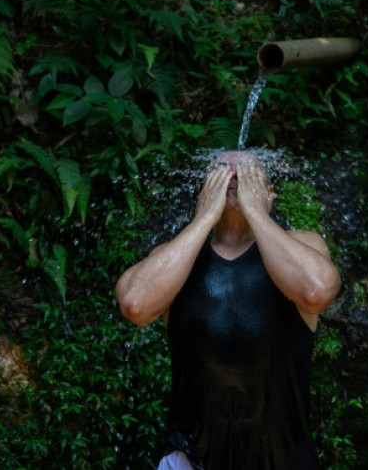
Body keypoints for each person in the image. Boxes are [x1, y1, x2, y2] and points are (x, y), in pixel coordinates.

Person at [115, 149, 341, 470]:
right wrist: (204, 217)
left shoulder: (303, 245)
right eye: (222, 170)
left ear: (270, 194)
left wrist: (256, 212)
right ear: (204, 190)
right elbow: (135, 304)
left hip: (283, 458)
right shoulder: (176, 259)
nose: (234, 175)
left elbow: (317, 291)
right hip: (190, 459)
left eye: (248, 173)